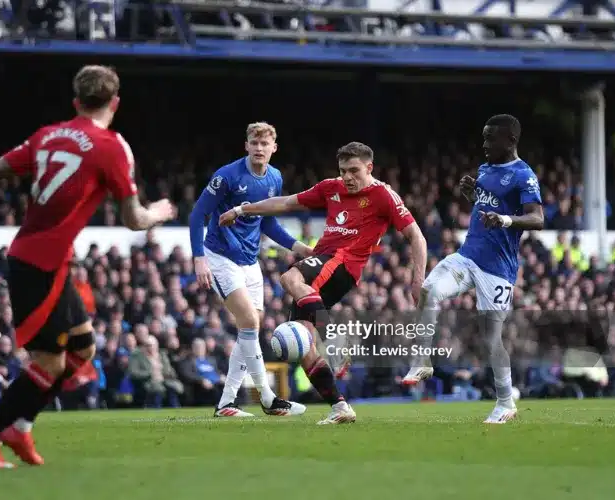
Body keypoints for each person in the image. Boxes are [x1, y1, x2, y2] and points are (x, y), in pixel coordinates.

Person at [0, 65, 176, 468]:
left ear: (76, 102)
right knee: (50, 362)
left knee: (83, 350)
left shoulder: (47, 135)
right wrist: (157, 212)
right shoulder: (111, 145)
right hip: (40, 265)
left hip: (46, 261)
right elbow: (133, 220)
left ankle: (21, 428)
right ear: (115, 103)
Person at [220, 142, 427, 424]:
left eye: (354, 170)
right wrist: (244, 209)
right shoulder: (332, 187)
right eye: (343, 171)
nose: (348, 177)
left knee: (289, 277)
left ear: (369, 168)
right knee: (304, 344)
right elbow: (286, 202)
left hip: (342, 261)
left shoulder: (383, 195)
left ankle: (335, 341)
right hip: (322, 265)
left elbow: (417, 237)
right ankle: (340, 406)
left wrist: (418, 280)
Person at [402, 114, 543, 424]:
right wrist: (471, 194)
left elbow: (538, 218)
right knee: (428, 290)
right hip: (468, 256)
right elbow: (485, 207)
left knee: (491, 339)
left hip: (497, 269)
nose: (484, 144)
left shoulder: (523, 175)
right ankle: (422, 358)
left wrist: (506, 220)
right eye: (483, 137)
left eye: (490, 138)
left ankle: (505, 402)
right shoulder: (485, 169)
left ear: (510, 141)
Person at [189, 122, 309, 418]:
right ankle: (267, 398)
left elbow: (267, 222)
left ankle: (226, 403)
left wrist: (297, 246)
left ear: (273, 148)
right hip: (220, 257)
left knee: (250, 328)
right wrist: (198, 258)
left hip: (250, 261)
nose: (258, 148)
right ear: (246, 145)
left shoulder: (275, 178)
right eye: (254, 142)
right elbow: (197, 214)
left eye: (264, 144)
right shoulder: (227, 176)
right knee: (249, 324)